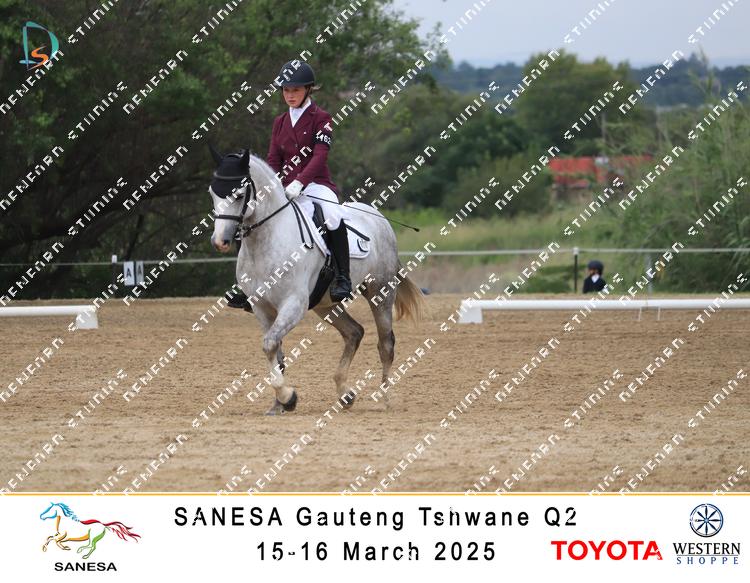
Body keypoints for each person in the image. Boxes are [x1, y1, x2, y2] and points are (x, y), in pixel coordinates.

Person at [227, 60, 352, 309]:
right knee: (250, 214)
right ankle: (248, 285)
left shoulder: (322, 118)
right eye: (286, 90)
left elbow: (320, 156)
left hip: (316, 184)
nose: (290, 95)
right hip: (284, 186)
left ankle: (343, 278)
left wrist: (300, 182)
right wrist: (273, 185)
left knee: (333, 216)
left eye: (295, 90)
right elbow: (274, 159)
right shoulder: (280, 122)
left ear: (308, 89)